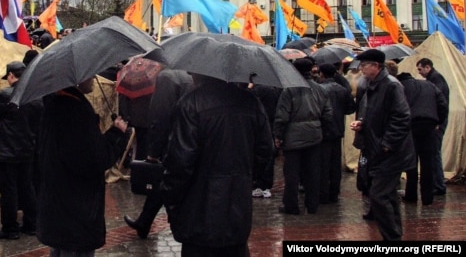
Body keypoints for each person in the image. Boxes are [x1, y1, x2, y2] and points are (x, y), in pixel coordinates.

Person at [160, 74, 273, 256]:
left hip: (197, 209)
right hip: (237, 208)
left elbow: (179, 163)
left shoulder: (191, 104)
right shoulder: (251, 103)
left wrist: (171, 198)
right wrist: (245, 178)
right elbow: (265, 151)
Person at [36, 77, 130, 256]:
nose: (94, 79)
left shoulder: (55, 104)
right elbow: (94, 159)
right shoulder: (74, 110)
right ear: (76, 79)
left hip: (59, 203)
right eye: (90, 76)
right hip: (77, 208)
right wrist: (117, 134)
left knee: (60, 248)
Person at [350, 49, 413, 241]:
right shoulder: (373, 85)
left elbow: (402, 117)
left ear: (376, 66)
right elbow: (378, 115)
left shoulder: (391, 85)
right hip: (377, 148)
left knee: (378, 196)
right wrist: (363, 124)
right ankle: (394, 236)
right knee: (389, 196)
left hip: (390, 151)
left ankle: (391, 238)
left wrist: (387, 144)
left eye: (364, 65)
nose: (361, 69)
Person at [124, 69, 193, 239]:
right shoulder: (196, 77)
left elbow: (160, 116)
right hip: (194, 142)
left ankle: (153, 222)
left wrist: (153, 151)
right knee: (163, 182)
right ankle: (144, 221)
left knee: (166, 182)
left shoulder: (168, 77)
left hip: (174, 143)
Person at [0, 62, 41, 239]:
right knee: (27, 188)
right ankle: (32, 224)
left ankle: (10, 228)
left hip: (7, 150)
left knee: (9, 190)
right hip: (27, 149)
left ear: (10, 76)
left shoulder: (5, 94)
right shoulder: (36, 96)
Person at [273, 57, 333, 215]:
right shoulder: (321, 89)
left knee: (292, 174)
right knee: (313, 172)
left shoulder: (289, 90)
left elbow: (282, 116)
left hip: (293, 138)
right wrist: (322, 131)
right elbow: (328, 115)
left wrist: (278, 136)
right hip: (315, 135)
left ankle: (291, 205)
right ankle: (312, 205)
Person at [395, 64, 448, 205]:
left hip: (410, 126)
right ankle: (427, 197)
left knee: (411, 161)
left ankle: (411, 194)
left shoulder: (400, 87)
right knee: (427, 162)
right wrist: (439, 121)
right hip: (429, 126)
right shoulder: (429, 85)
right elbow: (443, 104)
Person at [317, 63, 356, 204]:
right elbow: (351, 108)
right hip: (338, 129)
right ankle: (334, 192)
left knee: (323, 163)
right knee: (335, 164)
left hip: (323, 130)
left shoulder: (319, 89)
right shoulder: (342, 90)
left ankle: (323, 193)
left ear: (321, 74)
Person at [416, 58, 450, 196]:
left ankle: (439, 185)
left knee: (434, 153)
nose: (419, 73)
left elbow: (439, 102)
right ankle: (437, 184)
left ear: (427, 67)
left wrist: (437, 121)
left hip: (437, 122)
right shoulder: (435, 79)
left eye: (420, 69)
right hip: (438, 121)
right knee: (433, 154)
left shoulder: (435, 80)